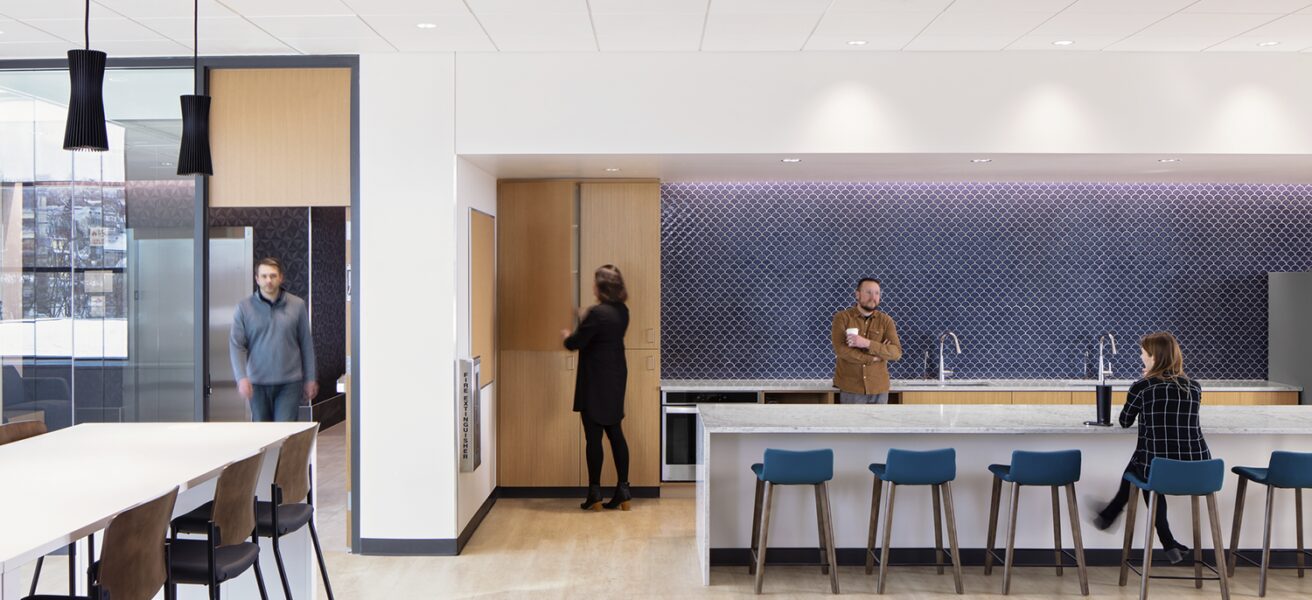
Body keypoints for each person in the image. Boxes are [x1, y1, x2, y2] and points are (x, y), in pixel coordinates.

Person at [1092, 331, 1209, 564]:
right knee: (1146, 464)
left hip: (1159, 469)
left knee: (1142, 469)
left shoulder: (1142, 387)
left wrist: (1144, 383)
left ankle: (1114, 516)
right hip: (1200, 470)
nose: (1141, 357)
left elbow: (1125, 421)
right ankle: (1166, 542)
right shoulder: (1194, 387)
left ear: (1154, 357)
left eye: (1143, 354)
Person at [561, 265, 632, 511]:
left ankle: (595, 494)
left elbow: (576, 343)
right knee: (615, 432)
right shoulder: (622, 311)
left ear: (600, 287)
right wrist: (585, 317)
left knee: (594, 438)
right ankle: (623, 490)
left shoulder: (597, 313)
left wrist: (567, 334)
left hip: (594, 380)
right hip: (615, 377)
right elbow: (603, 331)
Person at [230, 257, 318, 422]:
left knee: (285, 435)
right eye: (264, 276)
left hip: (289, 383)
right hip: (257, 383)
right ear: (257, 279)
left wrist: (310, 378)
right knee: (262, 435)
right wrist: (241, 377)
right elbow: (237, 346)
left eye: (272, 276)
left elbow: (306, 344)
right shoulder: (244, 308)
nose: (268, 280)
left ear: (281, 277)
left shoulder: (297, 305)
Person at [831, 278, 902, 404]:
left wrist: (866, 343)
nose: (873, 297)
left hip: (879, 388)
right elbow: (841, 350)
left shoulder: (886, 321)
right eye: (868, 292)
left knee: (878, 424)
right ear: (857, 294)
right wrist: (875, 357)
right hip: (851, 388)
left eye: (877, 293)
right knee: (853, 424)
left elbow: (896, 353)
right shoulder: (842, 318)